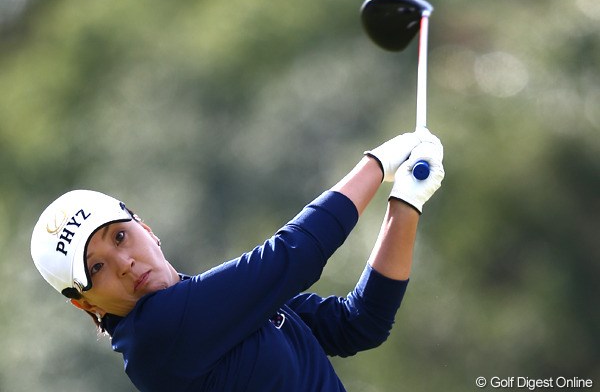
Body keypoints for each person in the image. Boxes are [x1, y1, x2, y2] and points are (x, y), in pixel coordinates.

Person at [30, 129, 444, 392]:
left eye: (120, 236)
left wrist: (407, 201)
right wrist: (377, 164)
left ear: (145, 227)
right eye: (96, 268)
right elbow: (294, 254)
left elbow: (357, 325)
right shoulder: (154, 337)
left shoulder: (220, 305)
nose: (123, 263)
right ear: (85, 303)